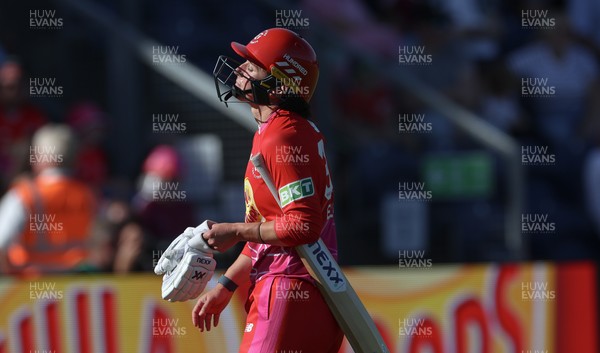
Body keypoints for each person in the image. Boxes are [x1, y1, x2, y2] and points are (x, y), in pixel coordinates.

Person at [194, 28, 343, 352]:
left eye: (251, 64)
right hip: (300, 293)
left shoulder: (282, 136)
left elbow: (302, 226)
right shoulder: (279, 131)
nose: (239, 69)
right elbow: (269, 229)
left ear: (279, 83)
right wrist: (227, 285)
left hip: (287, 291)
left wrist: (235, 230)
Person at [0, 124, 95, 274]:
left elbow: (1, 242)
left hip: (30, 288)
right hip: (74, 283)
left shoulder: (23, 194)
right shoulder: (86, 194)